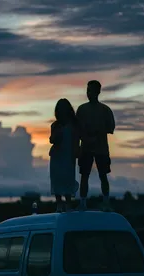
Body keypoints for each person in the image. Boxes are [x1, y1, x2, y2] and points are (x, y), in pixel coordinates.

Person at [76, 80, 115, 211]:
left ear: (98, 92)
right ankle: (82, 203)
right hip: (86, 148)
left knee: (103, 175)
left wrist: (97, 131)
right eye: (87, 90)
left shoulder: (105, 110)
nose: (88, 93)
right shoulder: (81, 109)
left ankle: (106, 202)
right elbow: (77, 130)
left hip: (101, 149)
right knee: (84, 176)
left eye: (91, 90)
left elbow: (111, 128)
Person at [49, 98, 79, 212]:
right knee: (56, 180)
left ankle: (68, 204)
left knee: (68, 179)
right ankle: (59, 205)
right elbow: (52, 140)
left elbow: (77, 139)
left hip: (68, 155)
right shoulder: (55, 125)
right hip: (57, 155)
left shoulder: (74, 124)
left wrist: (76, 152)